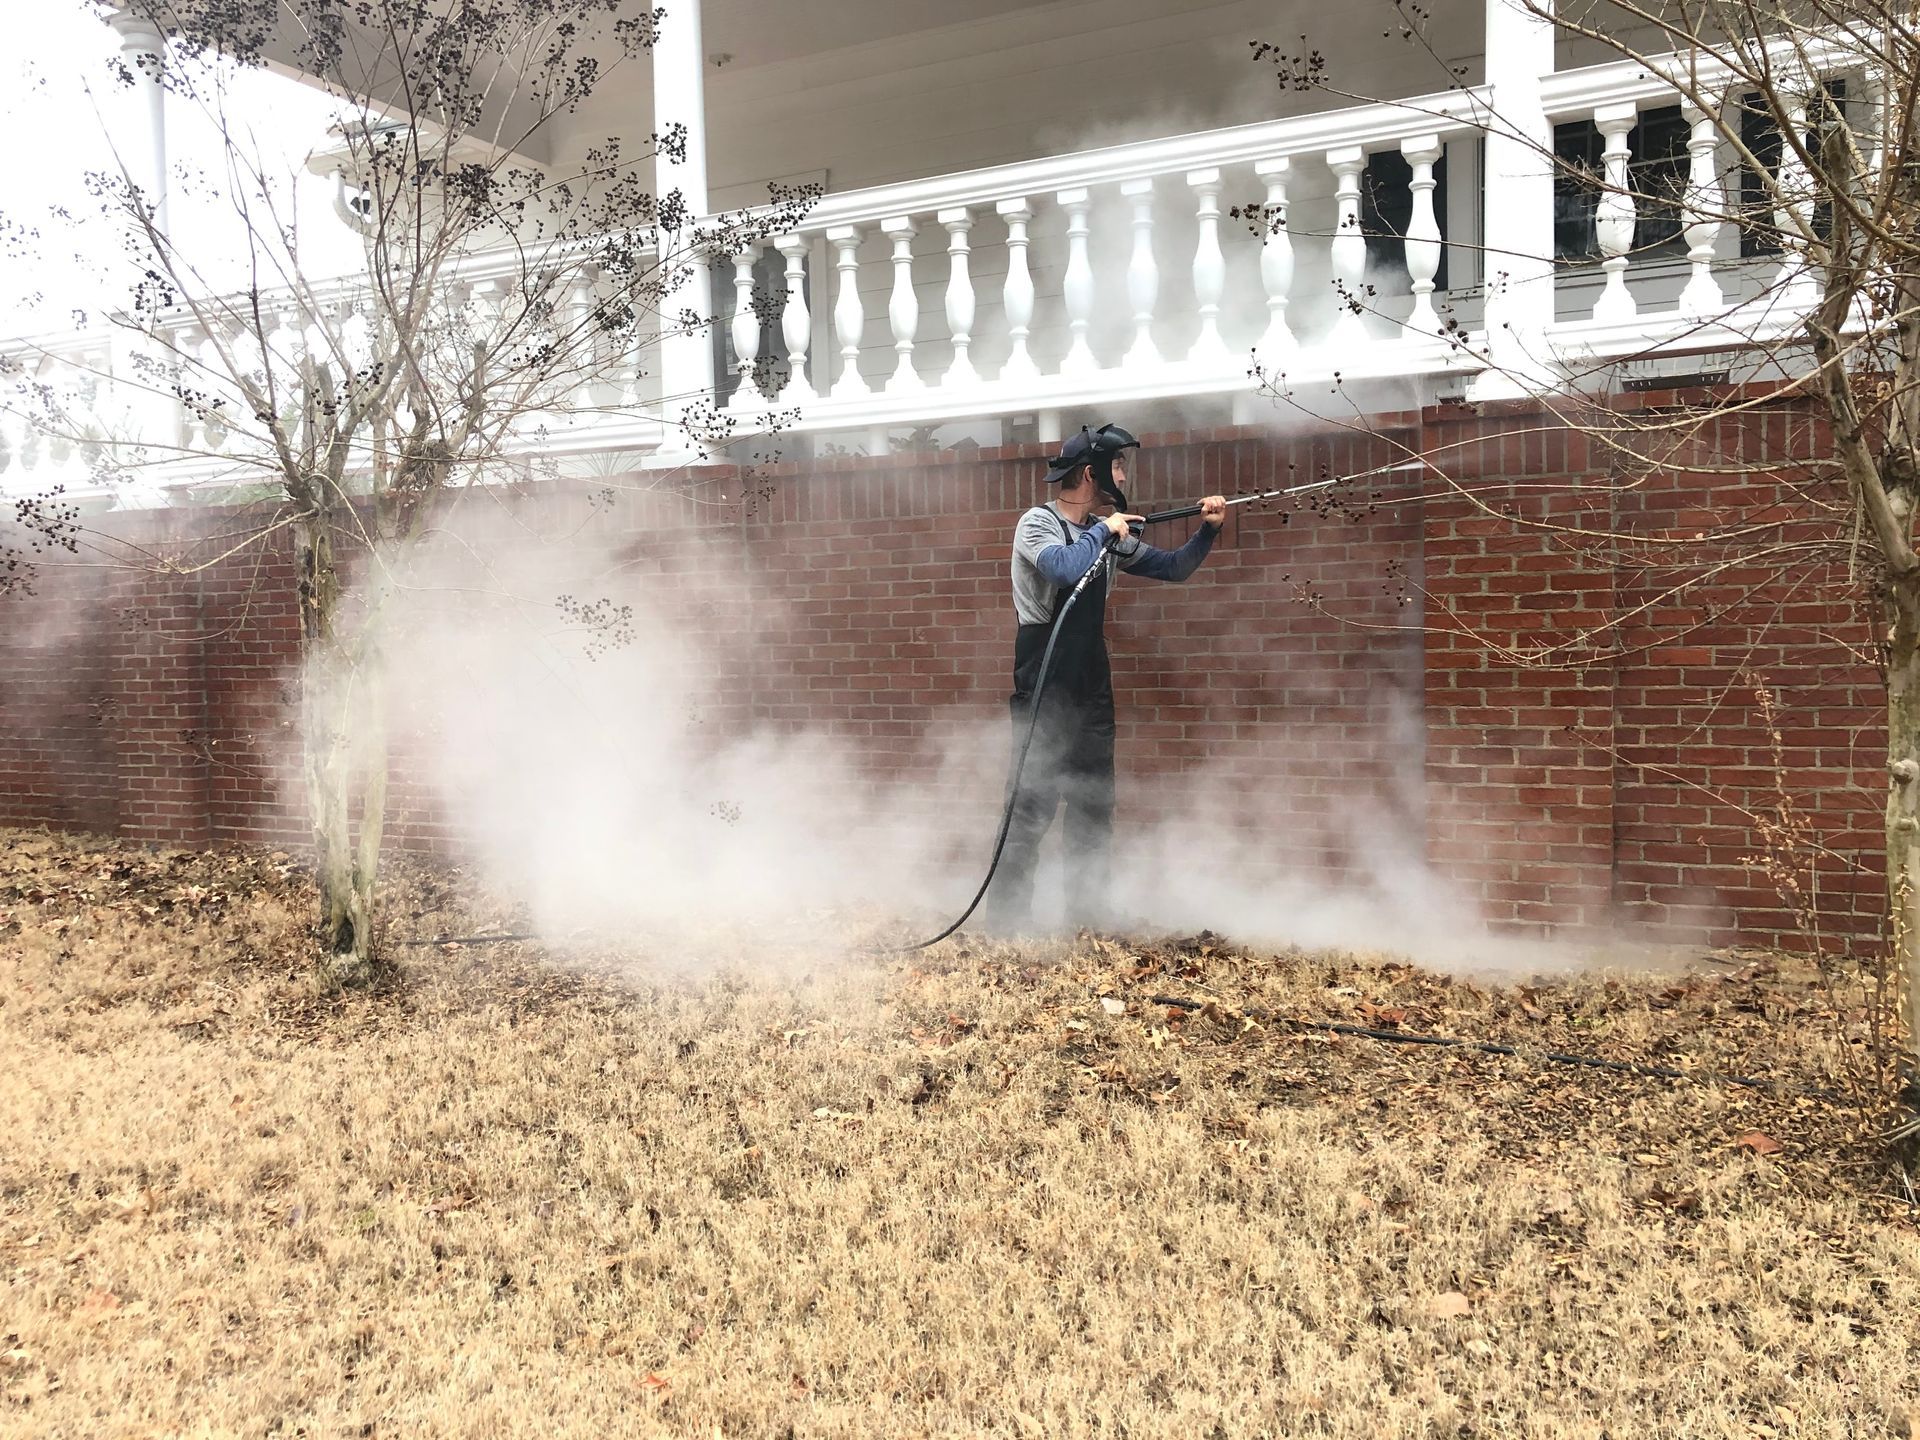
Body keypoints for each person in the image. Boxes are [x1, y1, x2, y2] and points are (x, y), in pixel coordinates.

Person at [983, 423, 1227, 934]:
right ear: (1091, 473)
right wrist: (1104, 530)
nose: (1124, 475)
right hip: (1045, 669)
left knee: (1094, 799)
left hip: (1091, 675)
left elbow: (1175, 567)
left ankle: (1088, 912)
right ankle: (1007, 922)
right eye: (1118, 466)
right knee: (1032, 801)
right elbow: (1063, 569)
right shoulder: (1037, 524)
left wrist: (1208, 529)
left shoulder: (1109, 531)